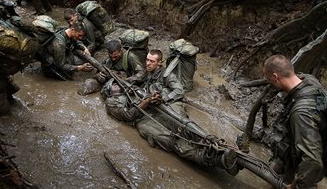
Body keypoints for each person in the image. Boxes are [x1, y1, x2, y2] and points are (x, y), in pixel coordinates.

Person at [101, 50, 239, 176]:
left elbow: (178, 91)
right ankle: (216, 159)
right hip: (147, 117)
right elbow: (129, 114)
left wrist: (162, 99)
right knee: (171, 141)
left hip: (163, 108)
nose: (148, 63)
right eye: (147, 60)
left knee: (182, 127)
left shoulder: (162, 75)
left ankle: (219, 147)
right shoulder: (116, 99)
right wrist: (148, 100)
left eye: (151, 61)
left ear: (159, 62)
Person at [263, 55, 326, 189]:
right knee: (274, 171)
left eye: (269, 80)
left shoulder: (301, 114)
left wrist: (296, 186)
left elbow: (313, 161)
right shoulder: (308, 80)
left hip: (308, 162)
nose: (270, 84)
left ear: (275, 76)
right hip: (295, 150)